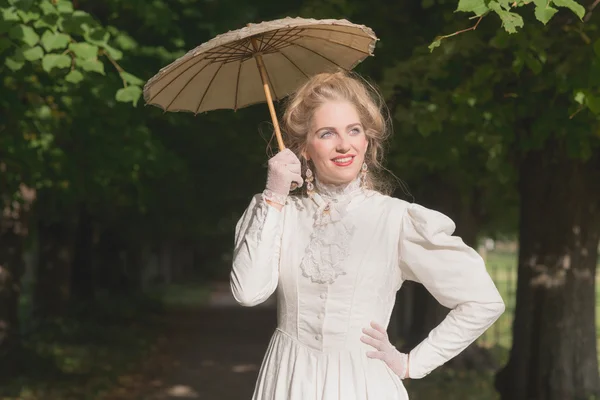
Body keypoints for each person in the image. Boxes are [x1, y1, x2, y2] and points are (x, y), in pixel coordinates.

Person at [230, 70, 505, 400]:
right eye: (327, 133)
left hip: (363, 385)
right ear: (304, 147)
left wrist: (411, 363)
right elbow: (248, 292)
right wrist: (274, 194)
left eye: (353, 130)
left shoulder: (395, 219)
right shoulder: (277, 214)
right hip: (289, 382)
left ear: (366, 141)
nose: (344, 144)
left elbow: (483, 300)